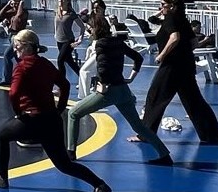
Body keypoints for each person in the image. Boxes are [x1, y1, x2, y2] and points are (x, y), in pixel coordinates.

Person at [0, 29, 112, 192]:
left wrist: (19, 114)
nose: (15, 51)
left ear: (26, 47)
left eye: (17, 47)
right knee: (64, 164)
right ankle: (100, 185)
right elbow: (65, 85)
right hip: (51, 120)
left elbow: (13, 93)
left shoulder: (22, 67)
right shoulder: (45, 63)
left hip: (33, 119)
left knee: (2, 135)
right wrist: (59, 110)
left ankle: (2, 178)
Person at [64, 17, 172, 164]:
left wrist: (102, 83)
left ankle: (70, 153)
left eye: (90, 28)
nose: (89, 31)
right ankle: (164, 155)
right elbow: (137, 58)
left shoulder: (100, 44)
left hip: (109, 91)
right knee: (138, 126)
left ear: (96, 30)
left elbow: (103, 66)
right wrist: (131, 77)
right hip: (123, 90)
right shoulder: (117, 42)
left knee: (73, 113)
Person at [136, 0, 218, 145]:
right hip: (186, 64)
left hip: (172, 65)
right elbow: (194, 43)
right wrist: (183, 52)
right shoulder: (183, 20)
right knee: (194, 101)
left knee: (155, 97)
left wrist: (162, 55)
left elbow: (174, 37)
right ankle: (213, 136)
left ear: (172, 6)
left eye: (162, 5)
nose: (160, 8)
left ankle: (146, 135)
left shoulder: (171, 18)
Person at [53, 0, 85, 81]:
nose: (61, 1)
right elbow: (56, 23)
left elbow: (82, 26)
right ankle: (85, 79)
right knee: (69, 61)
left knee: (60, 60)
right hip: (59, 39)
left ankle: (62, 84)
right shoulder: (57, 11)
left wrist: (80, 38)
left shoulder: (71, 13)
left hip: (68, 41)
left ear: (67, 1)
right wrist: (55, 33)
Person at [0, 0, 29, 84]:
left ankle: (6, 79)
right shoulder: (11, 12)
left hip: (19, 37)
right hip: (11, 36)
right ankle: (28, 76)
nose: (14, 5)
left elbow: (19, 17)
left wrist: (20, 5)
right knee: (19, 59)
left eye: (16, 4)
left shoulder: (24, 12)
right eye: (13, 4)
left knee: (7, 55)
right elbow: (0, 15)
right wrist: (7, 4)